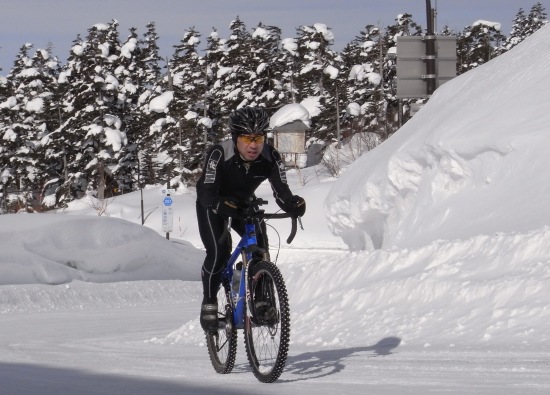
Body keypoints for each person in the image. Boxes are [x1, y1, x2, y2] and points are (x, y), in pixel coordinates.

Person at [195, 106, 306, 333]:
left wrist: (291, 203)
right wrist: (218, 204)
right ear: (236, 137)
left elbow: (281, 189)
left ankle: (262, 299)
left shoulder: (270, 156)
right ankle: (209, 300)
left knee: (260, 249)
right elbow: (205, 191)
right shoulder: (219, 153)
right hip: (213, 203)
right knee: (218, 251)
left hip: (243, 203)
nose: (253, 145)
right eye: (247, 138)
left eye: (259, 138)